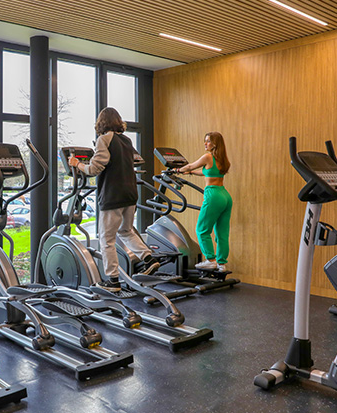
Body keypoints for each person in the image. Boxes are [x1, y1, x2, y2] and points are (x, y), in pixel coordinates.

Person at [68, 107, 160, 293]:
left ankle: (113, 281)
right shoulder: (126, 140)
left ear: (101, 123)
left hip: (113, 196)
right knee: (125, 231)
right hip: (130, 194)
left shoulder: (104, 139)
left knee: (106, 239)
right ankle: (149, 258)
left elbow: (95, 168)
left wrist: (77, 164)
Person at [173, 131, 232, 272]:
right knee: (222, 233)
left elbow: (190, 166)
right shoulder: (222, 159)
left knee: (202, 229)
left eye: (208, 141)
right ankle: (221, 264)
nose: (205, 144)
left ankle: (210, 260)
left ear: (215, 144)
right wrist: (192, 173)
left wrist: (177, 170)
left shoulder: (207, 157)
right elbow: (208, 172)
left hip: (213, 195)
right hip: (225, 195)